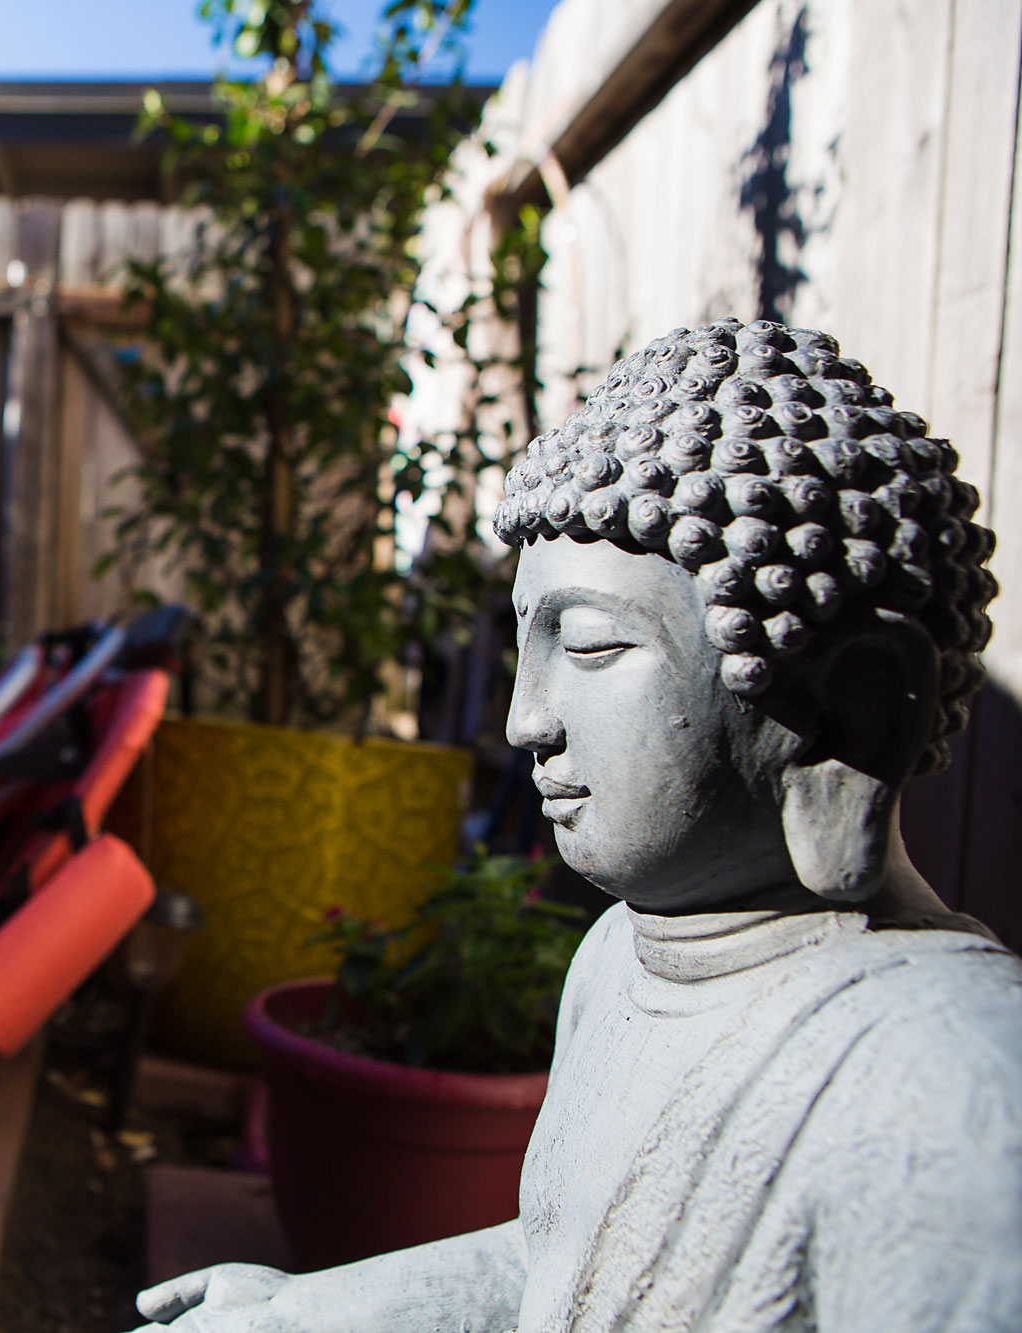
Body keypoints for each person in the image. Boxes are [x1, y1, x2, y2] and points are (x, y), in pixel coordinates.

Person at [134, 320, 1022, 1331]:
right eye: (524, 645)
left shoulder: (948, 1079)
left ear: (853, 706)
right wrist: (309, 1309)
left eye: (592, 645)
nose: (524, 720)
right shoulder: (614, 961)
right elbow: (564, 1265)